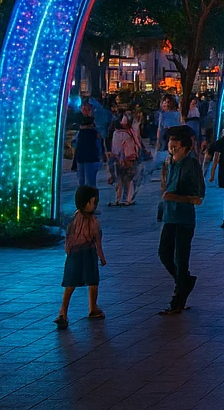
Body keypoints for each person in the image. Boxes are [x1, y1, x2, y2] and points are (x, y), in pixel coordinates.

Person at [157, 126, 206, 316]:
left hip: (184, 218)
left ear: (186, 148)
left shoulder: (190, 164)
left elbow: (198, 197)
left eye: (176, 147)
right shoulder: (170, 162)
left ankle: (178, 299)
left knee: (181, 257)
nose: (172, 149)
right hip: (170, 216)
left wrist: (175, 198)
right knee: (164, 253)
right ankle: (184, 281)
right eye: (170, 146)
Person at [55, 184, 106, 329]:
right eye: (93, 202)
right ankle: (89, 308)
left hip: (76, 253)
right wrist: (101, 256)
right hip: (87, 253)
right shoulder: (91, 221)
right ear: (89, 202)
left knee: (74, 282)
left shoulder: (74, 218)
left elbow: (69, 237)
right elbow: (97, 239)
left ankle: (65, 311)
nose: (95, 205)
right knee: (91, 281)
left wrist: (69, 250)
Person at [110, 114, 144, 206]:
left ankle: (118, 198)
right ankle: (128, 199)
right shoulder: (130, 132)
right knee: (129, 179)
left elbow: (115, 148)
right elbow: (137, 143)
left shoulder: (116, 134)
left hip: (119, 158)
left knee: (120, 179)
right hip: (129, 157)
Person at [73, 114, 105, 194]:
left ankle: (83, 198)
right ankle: (91, 199)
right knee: (90, 182)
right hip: (91, 158)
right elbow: (98, 146)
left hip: (81, 158)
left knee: (82, 181)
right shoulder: (95, 133)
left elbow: (75, 145)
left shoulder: (79, 133)